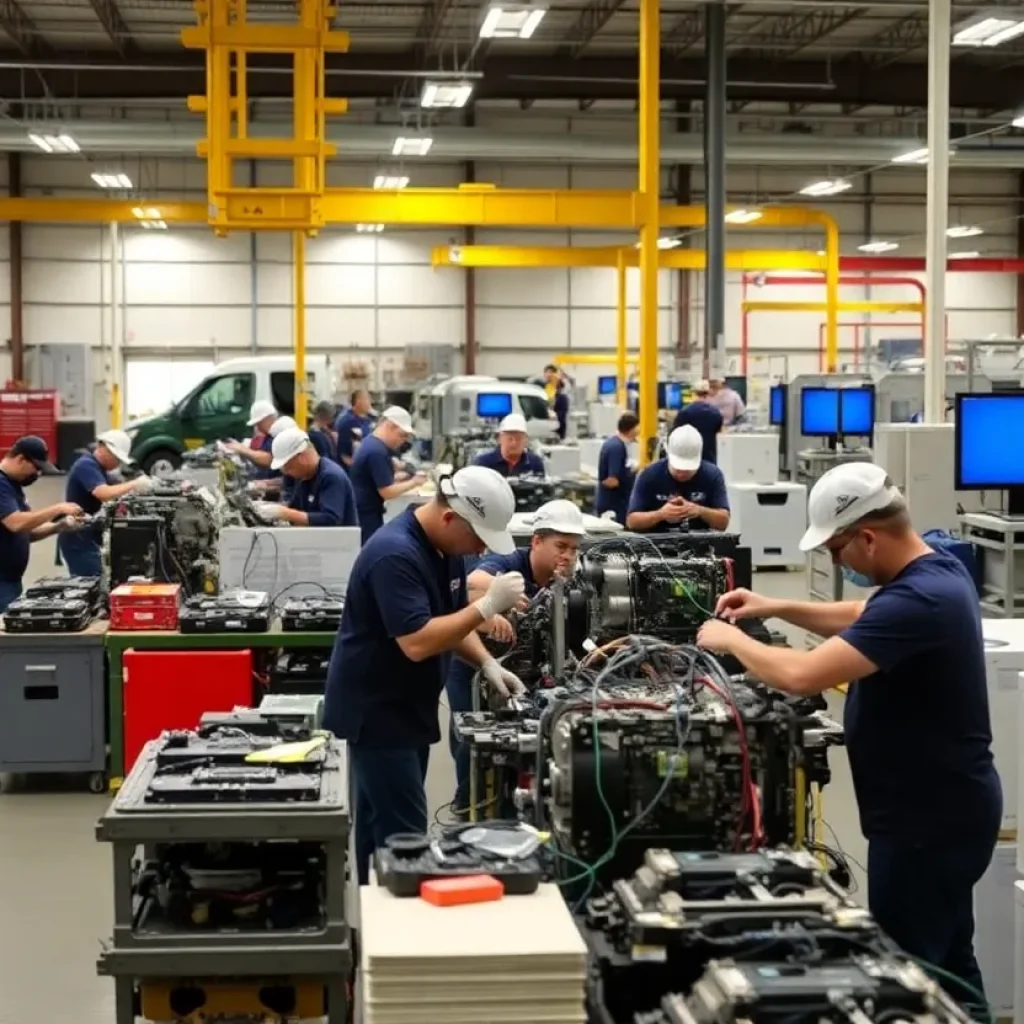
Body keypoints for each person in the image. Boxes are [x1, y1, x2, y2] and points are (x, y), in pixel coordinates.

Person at [695, 461, 1001, 1009]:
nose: (837, 563)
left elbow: (800, 674)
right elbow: (864, 612)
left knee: (907, 976)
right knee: (948, 960)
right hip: (947, 810)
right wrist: (775, 605)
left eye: (837, 551)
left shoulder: (920, 600)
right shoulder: (938, 570)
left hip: (924, 826)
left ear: (867, 536)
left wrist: (729, 640)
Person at [323, 465, 526, 884]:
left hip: (404, 708)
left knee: (381, 830)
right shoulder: (395, 555)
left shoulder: (445, 548)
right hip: (378, 714)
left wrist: (486, 663)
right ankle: (399, 935)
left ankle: (372, 916)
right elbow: (417, 641)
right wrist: (486, 607)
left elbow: (446, 620)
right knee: (406, 836)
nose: (478, 547)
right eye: (476, 536)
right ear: (451, 517)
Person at [445, 499, 587, 810]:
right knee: (471, 741)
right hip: (473, 664)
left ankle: (514, 804)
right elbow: (473, 584)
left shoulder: (568, 579)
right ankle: (468, 803)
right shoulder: (510, 561)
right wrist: (495, 604)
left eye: (574, 549)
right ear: (536, 541)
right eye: (561, 546)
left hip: (525, 668)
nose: (568, 555)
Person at [0, 437, 82, 611]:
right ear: (21, 459)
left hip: (10, 581)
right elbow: (15, 523)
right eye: (36, 468)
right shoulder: (1, 485)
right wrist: (58, 508)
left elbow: (27, 531)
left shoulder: (13, 487)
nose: (37, 475)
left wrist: (59, 527)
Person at [58, 429, 154, 576]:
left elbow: (115, 488)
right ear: (104, 449)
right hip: (78, 538)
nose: (117, 464)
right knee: (91, 583)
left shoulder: (98, 468)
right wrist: (134, 485)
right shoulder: (86, 465)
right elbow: (103, 493)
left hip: (89, 536)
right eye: (117, 458)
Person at [626, 424, 730, 533]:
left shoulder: (712, 475)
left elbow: (723, 522)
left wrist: (700, 511)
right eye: (677, 469)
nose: (681, 474)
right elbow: (632, 522)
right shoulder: (649, 475)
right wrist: (661, 514)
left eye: (688, 470)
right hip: (656, 544)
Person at [348, 406, 426, 544]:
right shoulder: (376, 451)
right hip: (366, 515)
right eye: (401, 435)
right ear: (390, 426)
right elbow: (387, 491)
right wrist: (415, 482)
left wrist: (400, 477)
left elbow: (376, 479)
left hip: (363, 511)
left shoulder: (371, 443)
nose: (402, 441)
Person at [252, 427, 358, 528]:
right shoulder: (305, 477)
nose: (287, 472)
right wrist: (267, 508)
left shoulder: (331, 476)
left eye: (288, 467)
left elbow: (331, 519)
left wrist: (284, 513)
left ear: (302, 458)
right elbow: (295, 508)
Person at [595, 412, 639, 526]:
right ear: (631, 429)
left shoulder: (612, 443)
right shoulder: (617, 448)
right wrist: (632, 478)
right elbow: (611, 481)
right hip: (613, 506)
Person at [473, 413, 546, 477]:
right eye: (510, 439)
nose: (514, 443)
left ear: (526, 440)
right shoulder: (483, 464)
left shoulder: (534, 463)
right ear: (500, 439)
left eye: (518, 439)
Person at [672, 380, 724, 465]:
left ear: (693, 393)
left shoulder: (685, 412)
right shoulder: (716, 413)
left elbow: (675, 434)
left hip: (689, 456)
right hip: (709, 457)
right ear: (708, 394)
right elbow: (719, 432)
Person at [226, 400, 280, 479]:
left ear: (267, 419)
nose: (258, 427)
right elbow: (260, 456)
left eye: (259, 423)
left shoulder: (279, 435)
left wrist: (242, 450)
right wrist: (241, 448)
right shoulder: (268, 436)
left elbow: (269, 459)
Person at [335, 390, 375, 469]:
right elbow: (343, 453)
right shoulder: (347, 421)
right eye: (366, 399)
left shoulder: (369, 420)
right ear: (357, 401)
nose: (369, 402)